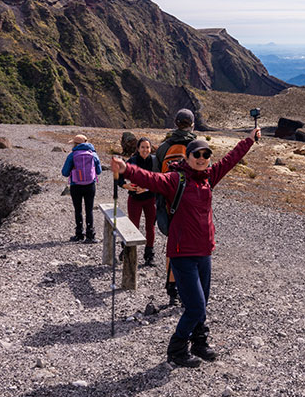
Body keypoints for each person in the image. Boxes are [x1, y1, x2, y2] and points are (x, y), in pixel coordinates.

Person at [112, 128, 261, 367]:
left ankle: (199, 342)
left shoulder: (210, 176)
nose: (202, 159)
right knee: (195, 306)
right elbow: (152, 179)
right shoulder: (176, 179)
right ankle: (177, 348)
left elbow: (231, 159)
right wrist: (127, 169)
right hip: (182, 254)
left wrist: (250, 140)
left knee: (203, 301)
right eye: (197, 155)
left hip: (204, 252)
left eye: (206, 155)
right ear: (188, 157)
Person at [154, 109, 198, 304]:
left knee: (174, 245)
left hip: (169, 205)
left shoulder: (163, 148)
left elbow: (156, 179)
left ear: (175, 123)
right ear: (192, 124)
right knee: (193, 247)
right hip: (192, 207)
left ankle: (172, 287)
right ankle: (189, 287)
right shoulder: (197, 147)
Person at [121, 137, 158, 267]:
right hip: (135, 199)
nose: (145, 150)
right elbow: (119, 176)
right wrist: (125, 186)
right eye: (142, 147)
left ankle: (149, 256)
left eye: (147, 147)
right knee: (133, 227)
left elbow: (159, 180)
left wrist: (146, 188)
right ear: (138, 149)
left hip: (150, 199)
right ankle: (127, 251)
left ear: (150, 148)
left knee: (150, 227)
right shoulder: (132, 161)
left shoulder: (154, 161)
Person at [61, 134, 102, 243]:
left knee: (78, 209)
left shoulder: (72, 155)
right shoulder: (93, 154)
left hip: (76, 186)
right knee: (89, 210)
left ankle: (79, 234)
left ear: (75, 144)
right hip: (90, 186)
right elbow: (99, 171)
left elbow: (64, 173)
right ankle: (90, 235)